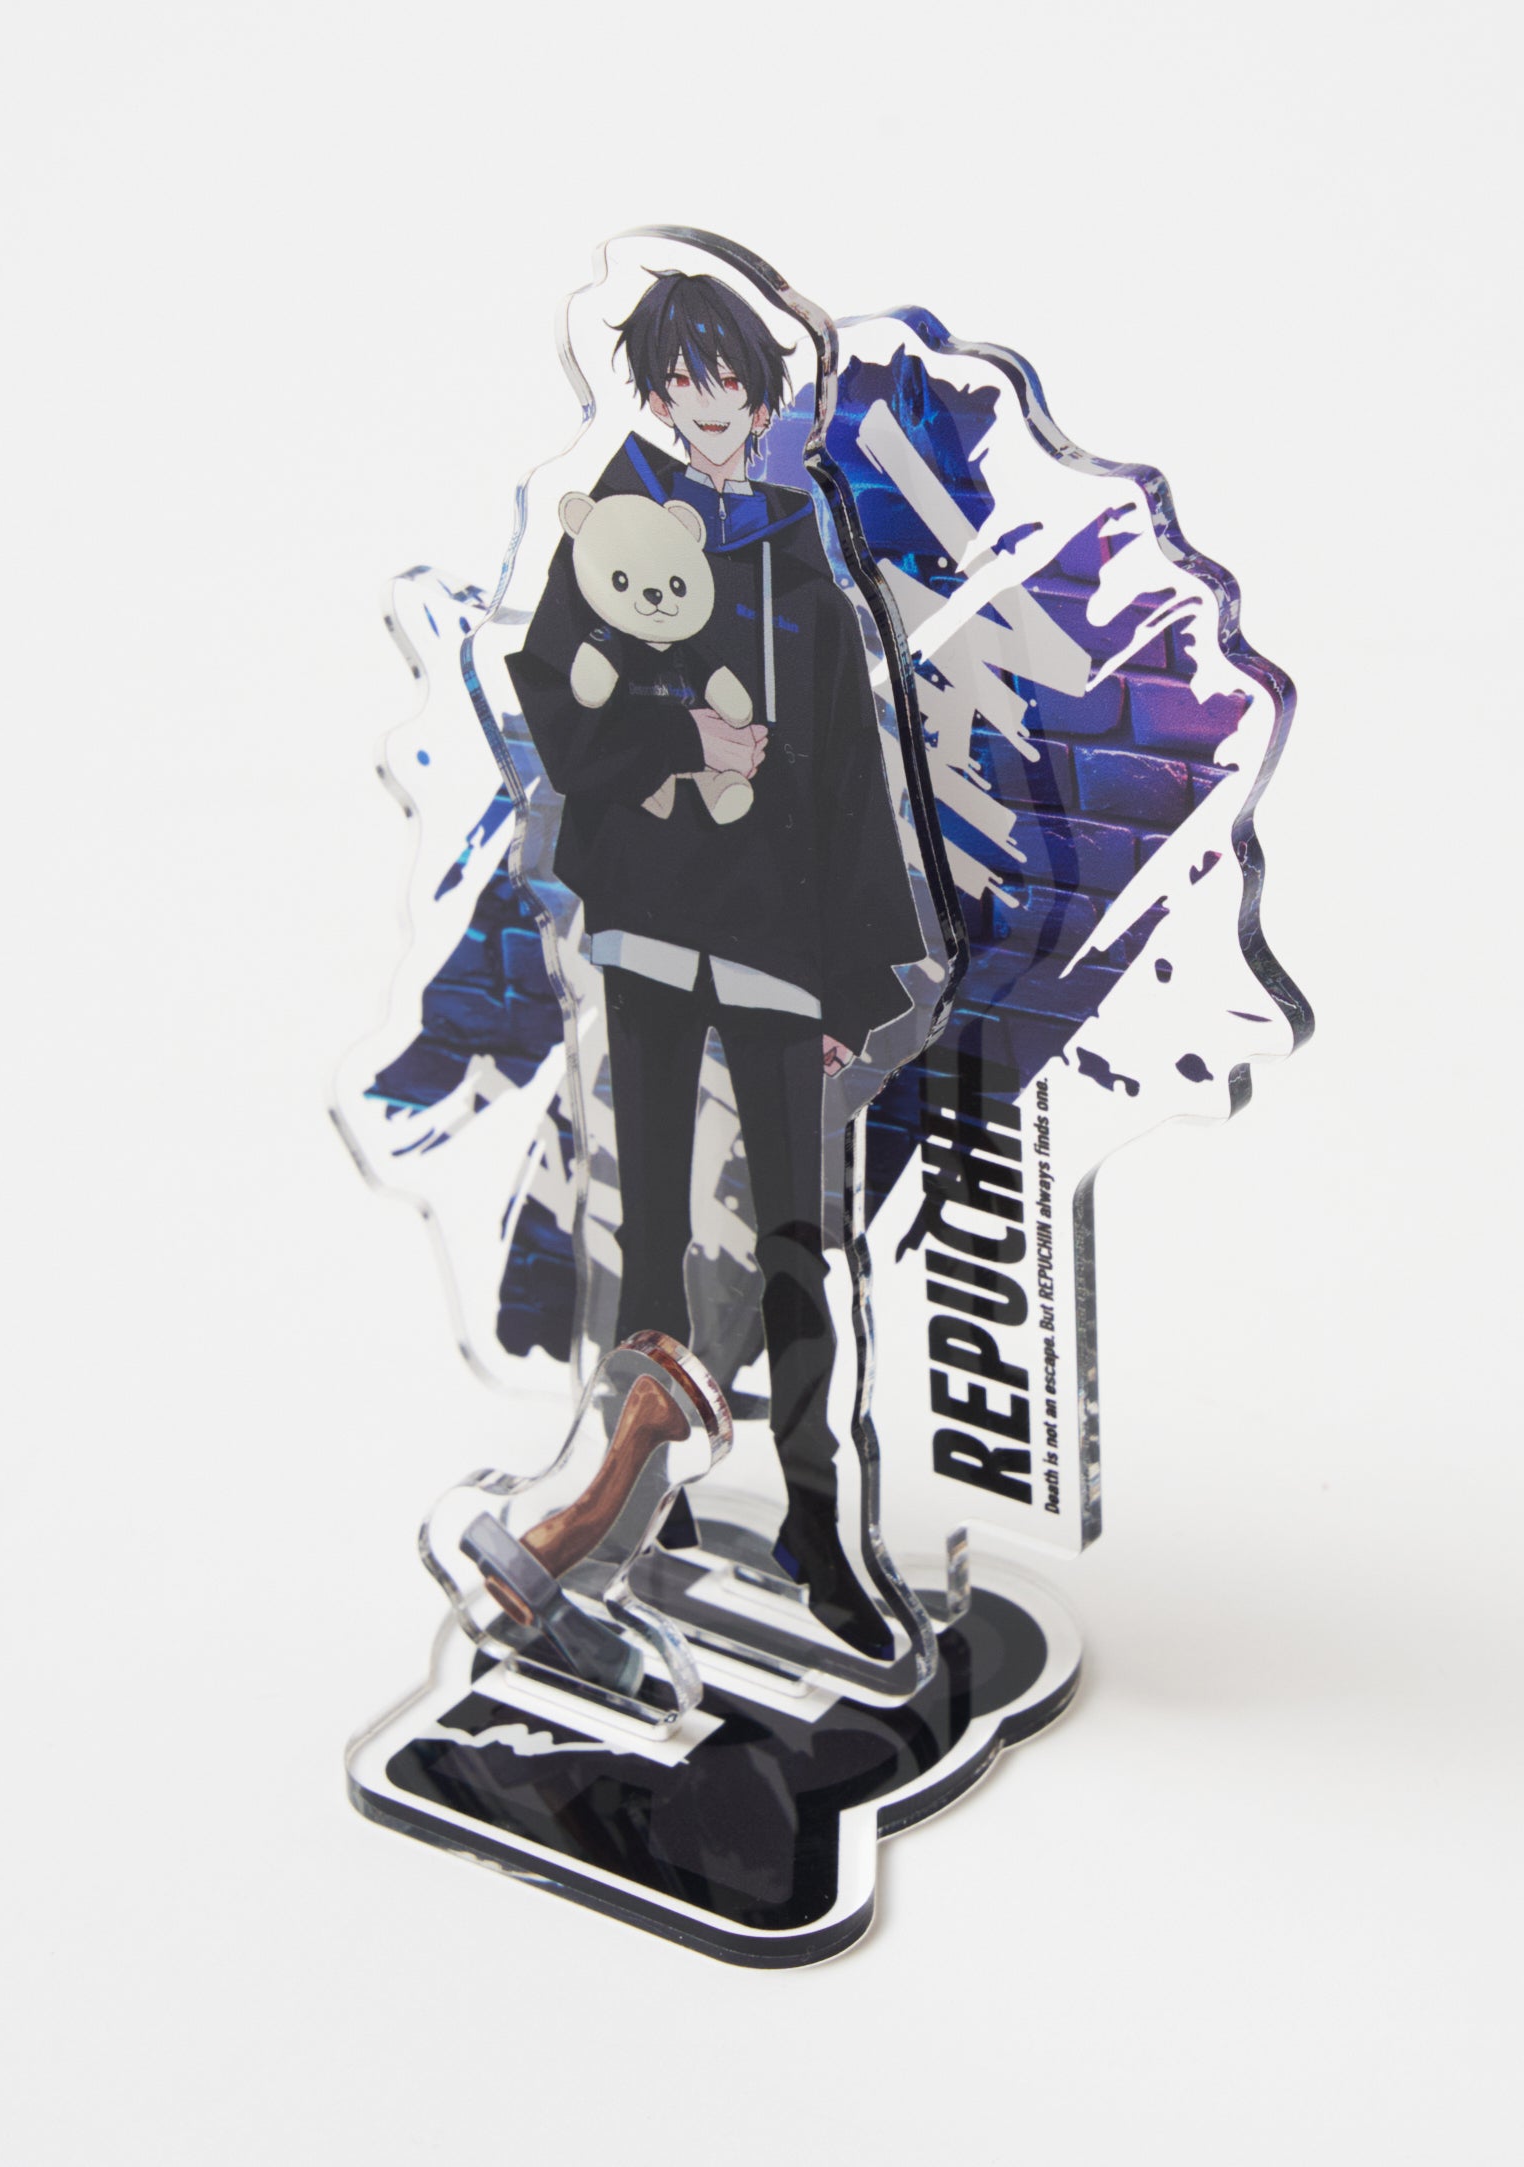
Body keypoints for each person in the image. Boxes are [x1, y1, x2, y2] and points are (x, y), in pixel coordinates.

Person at [505, 270, 924, 1658]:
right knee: (648, 1230)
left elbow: (851, 783)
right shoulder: (612, 530)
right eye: (680, 376)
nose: (705, 399)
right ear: (652, 388)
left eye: (725, 373)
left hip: (776, 944)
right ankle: (645, 1502)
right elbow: (559, 707)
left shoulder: (804, 566)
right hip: (647, 921)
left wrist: (849, 986)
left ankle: (815, 1518)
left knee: (799, 1236)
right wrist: (681, 740)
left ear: (760, 386)